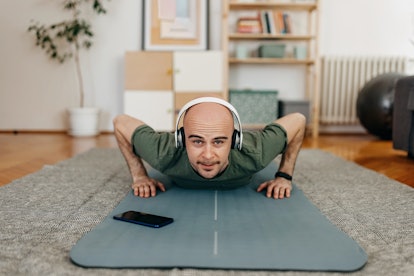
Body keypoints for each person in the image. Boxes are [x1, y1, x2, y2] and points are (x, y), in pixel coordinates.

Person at [113, 97, 306, 199]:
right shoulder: (163, 153)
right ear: (181, 140)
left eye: (219, 142)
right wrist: (140, 175)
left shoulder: (256, 152)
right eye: (197, 141)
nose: (207, 155)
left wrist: (284, 176)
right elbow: (120, 122)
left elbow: (298, 119)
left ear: (235, 141)